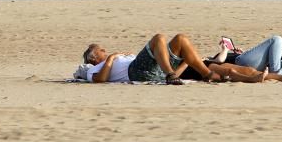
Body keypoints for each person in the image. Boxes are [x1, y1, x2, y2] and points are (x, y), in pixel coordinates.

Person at [81, 34, 217, 84]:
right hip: (136, 71)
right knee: (159, 38)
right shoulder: (94, 69)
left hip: (158, 71)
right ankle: (170, 74)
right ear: (93, 59)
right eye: (100, 50)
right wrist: (110, 58)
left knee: (180, 39)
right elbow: (100, 80)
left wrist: (186, 61)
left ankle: (207, 74)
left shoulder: (117, 58)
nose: (104, 50)